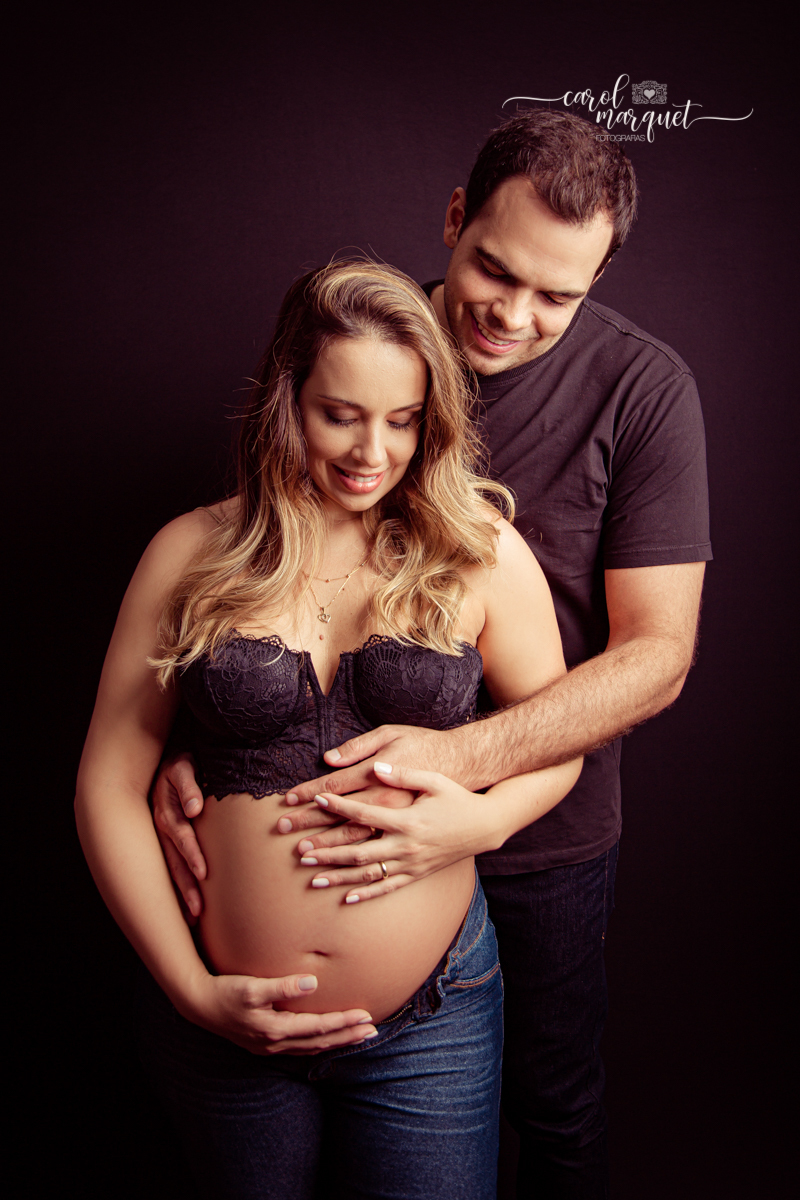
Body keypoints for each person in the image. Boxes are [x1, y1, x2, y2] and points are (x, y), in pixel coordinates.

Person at [154, 110, 712, 1198]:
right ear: (454, 218)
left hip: (538, 827)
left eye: (560, 295)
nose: (513, 314)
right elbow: (265, 573)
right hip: (320, 828)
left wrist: (476, 785)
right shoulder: (364, 344)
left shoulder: (644, 393)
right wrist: (209, 745)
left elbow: (657, 655)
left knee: (552, 1114)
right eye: (494, 271)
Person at [75, 259, 583, 1200]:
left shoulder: (478, 552)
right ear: (287, 400)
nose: (371, 452)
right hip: (223, 1023)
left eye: (403, 420)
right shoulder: (189, 554)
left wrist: (487, 820)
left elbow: (556, 740)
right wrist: (194, 992)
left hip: (432, 1018)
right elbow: (106, 782)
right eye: (340, 413)